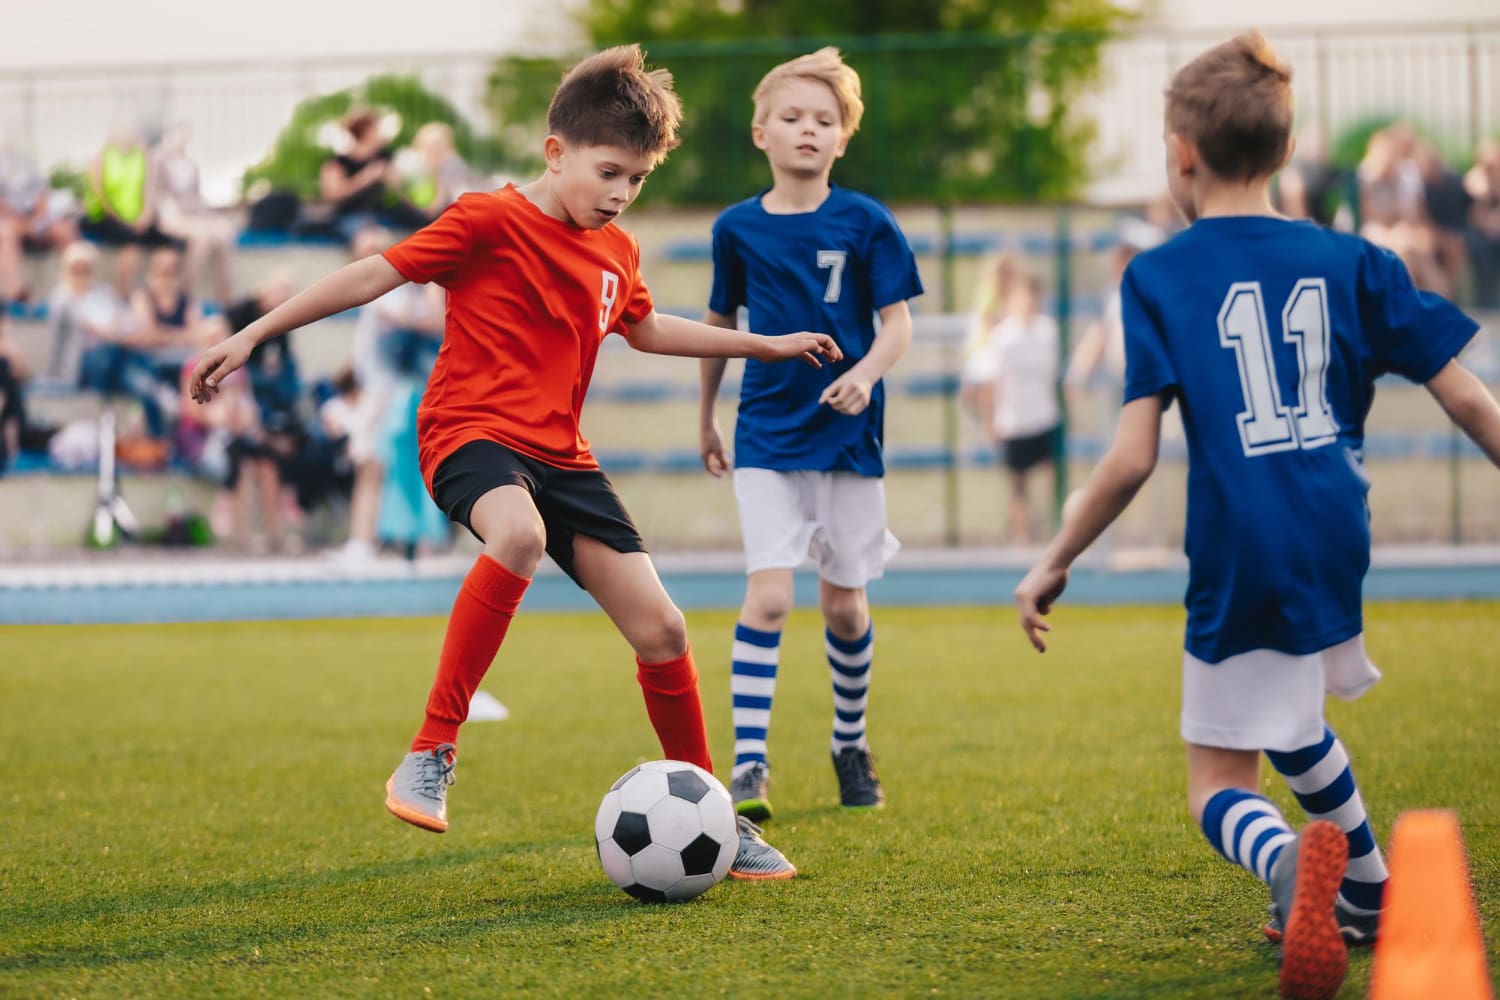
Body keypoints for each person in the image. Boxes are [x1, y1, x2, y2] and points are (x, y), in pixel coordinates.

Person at [190, 44, 841, 880]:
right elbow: (369, 276)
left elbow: (646, 330)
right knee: (519, 538)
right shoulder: (485, 219)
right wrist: (251, 333)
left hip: (563, 457)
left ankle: (711, 806)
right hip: (469, 434)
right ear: (555, 152)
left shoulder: (617, 252)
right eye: (609, 171)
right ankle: (430, 750)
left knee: (664, 629)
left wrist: (766, 344)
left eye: (637, 180)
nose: (621, 193)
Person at [1012, 33, 1500, 1000]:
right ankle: (1369, 890)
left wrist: (1055, 557)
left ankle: (1287, 866)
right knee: (1288, 716)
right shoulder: (1357, 259)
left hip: (1243, 534)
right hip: (1335, 521)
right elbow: (1470, 400)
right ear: (1281, 153)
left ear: (1181, 152)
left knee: (1219, 783)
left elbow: (1133, 456)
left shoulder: (1157, 275)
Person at [698, 47, 922, 820]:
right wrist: (706, 416)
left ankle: (848, 743)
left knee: (845, 609)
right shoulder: (736, 228)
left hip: (849, 439)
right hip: (765, 434)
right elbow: (718, 327)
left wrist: (865, 374)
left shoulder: (867, 221)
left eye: (823, 121)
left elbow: (898, 326)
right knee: (767, 595)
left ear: (842, 139)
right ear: (761, 132)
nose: (807, 130)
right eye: (791, 117)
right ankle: (749, 764)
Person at [968, 270, 1059, 544]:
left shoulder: (1049, 331)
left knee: (1051, 477)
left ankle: (1054, 532)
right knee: (1018, 485)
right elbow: (991, 383)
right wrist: (991, 420)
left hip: (1045, 417)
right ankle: (1021, 536)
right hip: (1014, 421)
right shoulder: (1003, 337)